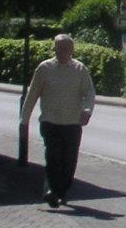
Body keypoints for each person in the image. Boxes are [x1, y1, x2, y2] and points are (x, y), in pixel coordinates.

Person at [21, 33, 96, 207]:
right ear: (54, 48)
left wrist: (87, 110)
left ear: (71, 50)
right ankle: (53, 192)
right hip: (50, 122)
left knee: (69, 162)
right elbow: (32, 95)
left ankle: (59, 192)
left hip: (72, 124)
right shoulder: (44, 69)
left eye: (66, 49)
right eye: (59, 48)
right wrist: (24, 120)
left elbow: (89, 93)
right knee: (53, 158)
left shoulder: (80, 69)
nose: (62, 52)